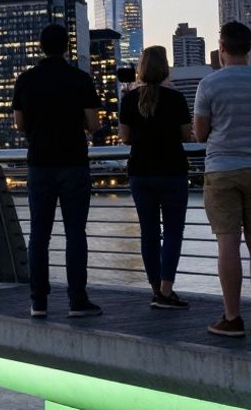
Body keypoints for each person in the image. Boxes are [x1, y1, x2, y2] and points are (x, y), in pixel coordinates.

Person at [193, 21, 251, 338]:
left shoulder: (209, 85)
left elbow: (201, 133)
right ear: (249, 48)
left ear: (222, 48)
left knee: (227, 243)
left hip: (221, 169)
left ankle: (232, 318)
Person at [12, 23, 103, 319]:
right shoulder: (80, 79)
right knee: (75, 232)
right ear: (66, 47)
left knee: (40, 234)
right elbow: (93, 124)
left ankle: (38, 301)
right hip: (74, 163)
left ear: (41, 46)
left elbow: (20, 123)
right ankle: (77, 300)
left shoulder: (25, 80)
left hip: (40, 163)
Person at [120, 46, 194, 310]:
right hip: (172, 171)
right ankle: (166, 290)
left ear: (141, 68)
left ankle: (154, 289)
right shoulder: (176, 99)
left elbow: (125, 137)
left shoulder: (128, 100)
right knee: (173, 231)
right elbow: (187, 135)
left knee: (149, 233)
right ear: (164, 68)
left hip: (140, 171)